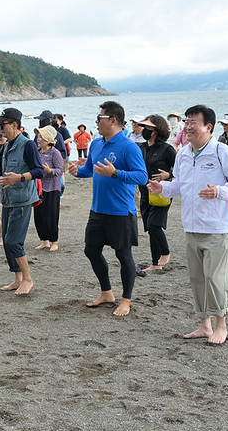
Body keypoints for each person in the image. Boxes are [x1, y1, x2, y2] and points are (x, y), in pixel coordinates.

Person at [147, 105, 228, 343]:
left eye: (193, 122)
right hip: (191, 225)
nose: (187, 126)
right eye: (186, 121)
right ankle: (204, 325)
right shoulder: (183, 153)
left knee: (216, 278)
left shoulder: (221, 152)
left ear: (208, 127)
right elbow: (180, 186)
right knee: (197, 278)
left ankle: (221, 325)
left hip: (217, 226)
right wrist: (162, 188)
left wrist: (219, 191)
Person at [68, 101, 148, 317]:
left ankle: (126, 300)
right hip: (98, 210)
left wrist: (116, 173)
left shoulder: (128, 146)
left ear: (113, 120)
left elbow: (142, 176)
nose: (96, 120)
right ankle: (106, 293)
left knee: (123, 255)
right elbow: (89, 170)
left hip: (121, 211)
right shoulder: (96, 144)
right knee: (91, 251)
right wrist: (77, 172)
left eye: (100, 117)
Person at [0, 108, 44, 294]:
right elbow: (1, 170)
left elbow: (39, 171)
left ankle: (28, 279)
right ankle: (17, 279)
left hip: (22, 199)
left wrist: (18, 178)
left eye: (2, 125)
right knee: (8, 240)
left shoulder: (27, 144)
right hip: (8, 198)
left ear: (14, 125)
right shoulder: (6, 146)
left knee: (13, 242)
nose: (0, 129)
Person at [136, 114, 177, 272]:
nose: (144, 130)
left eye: (147, 127)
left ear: (156, 130)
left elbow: (181, 170)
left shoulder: (167, 149)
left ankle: (165, 252)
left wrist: (168, 175)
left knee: (154, 225)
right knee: (149, 227)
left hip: (162, 193)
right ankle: (155, 263)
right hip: (145, 192)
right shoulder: (141, 148)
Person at [33, 125, 64, 252]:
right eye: (38, 137)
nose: (38, 139)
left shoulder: (55, 152)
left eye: (40, 137)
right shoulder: (38, 152)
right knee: (39, 215)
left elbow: (60, 170)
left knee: (51, 215)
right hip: (40, 188)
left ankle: (54, 241)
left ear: (47, 139)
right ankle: (45, 240)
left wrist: (49, 170)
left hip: (52, 188)